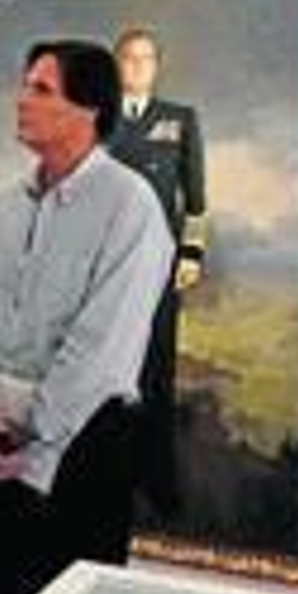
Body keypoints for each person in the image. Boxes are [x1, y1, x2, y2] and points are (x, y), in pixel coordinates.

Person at [0, 40, 173, 594]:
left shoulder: (131, 206)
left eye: (41, 89)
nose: (21, 100)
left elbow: (101, 349)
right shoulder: (5, 208)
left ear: (89, 109)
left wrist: (29, 438)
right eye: (25, 85)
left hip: (83, 458)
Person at [106, 27, 207, 515]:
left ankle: (158, 481)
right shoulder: (98, 120)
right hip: (109, 268)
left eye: (146, 58)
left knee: (157, 372)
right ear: (117, 65)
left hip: (160, 266)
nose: (138, 66)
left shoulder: (179, 120)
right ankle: (114, 480)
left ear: (157, 66)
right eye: (129, 58)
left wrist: (191, 256)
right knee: (111, 373)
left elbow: (197, 199)